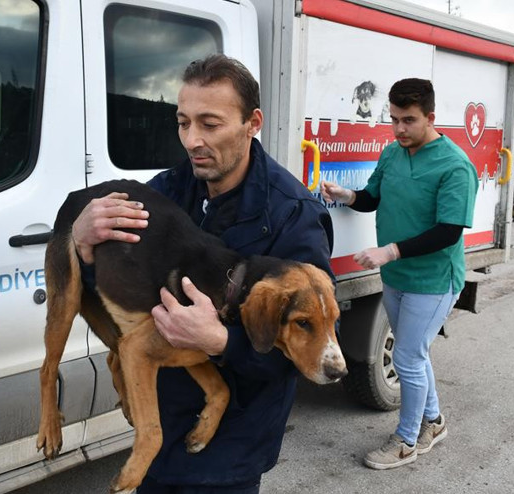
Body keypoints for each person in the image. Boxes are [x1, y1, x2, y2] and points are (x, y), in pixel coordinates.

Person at [72, 54, 334, 493]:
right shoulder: (163, 194)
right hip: (162, 437)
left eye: (210, 125)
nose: (192, 140)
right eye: (183, 123)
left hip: (230, 452)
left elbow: (310, 349)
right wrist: (83, 246)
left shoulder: (293, 216)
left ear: (252, 123)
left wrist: (222, 341)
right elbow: (109, 288)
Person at [321, 78, 478, 470]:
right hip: (397, 278)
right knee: (414, 354)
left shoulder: (455, 165)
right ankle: (433, 422)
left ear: (430, 117)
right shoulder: (393, 153)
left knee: (407, 357)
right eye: (393, 119)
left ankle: (407, 441)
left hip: (433, 281)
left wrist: (389, 251)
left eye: (408, 120)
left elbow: (449, 231)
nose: (399, 129)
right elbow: (372, 198)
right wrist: (345, 196)